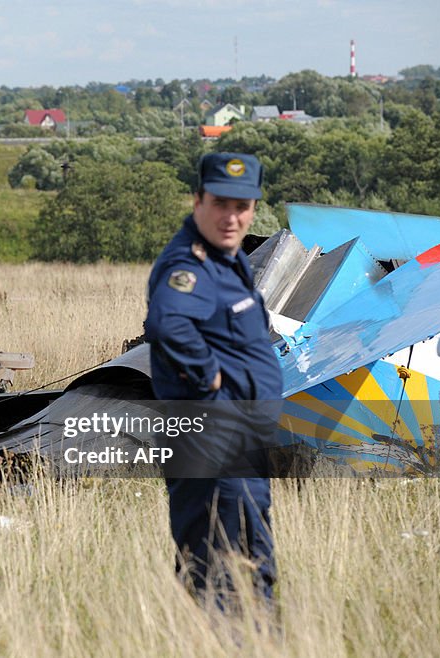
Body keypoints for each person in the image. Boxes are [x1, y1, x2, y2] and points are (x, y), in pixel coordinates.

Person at [144, 152, 283, 610]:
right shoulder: (189, 265)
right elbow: (168, 323)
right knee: (220, 568)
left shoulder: (227, 259)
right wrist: (212, 379)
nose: (232, 216)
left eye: (243, 206)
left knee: (249, 561)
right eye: (221, 203)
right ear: (199, 199)